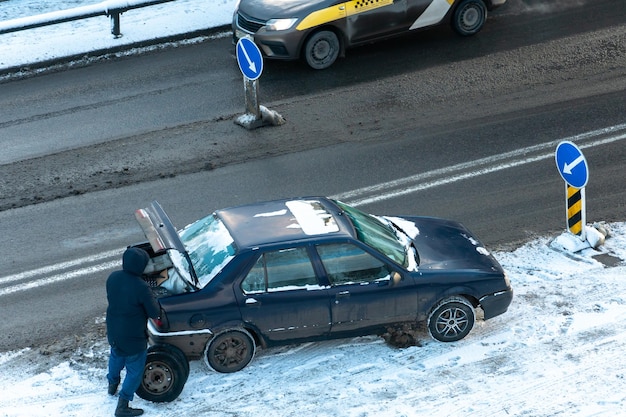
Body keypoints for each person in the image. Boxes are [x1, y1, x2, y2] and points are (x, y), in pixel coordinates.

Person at [106, 247, 160, 417]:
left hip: (114, 331)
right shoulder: (141, 287)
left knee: (116, 356)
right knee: (135, 371)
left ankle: (112, 384)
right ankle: (123, 405)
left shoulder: (113, 277)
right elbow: (154, 313)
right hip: (133, 337)